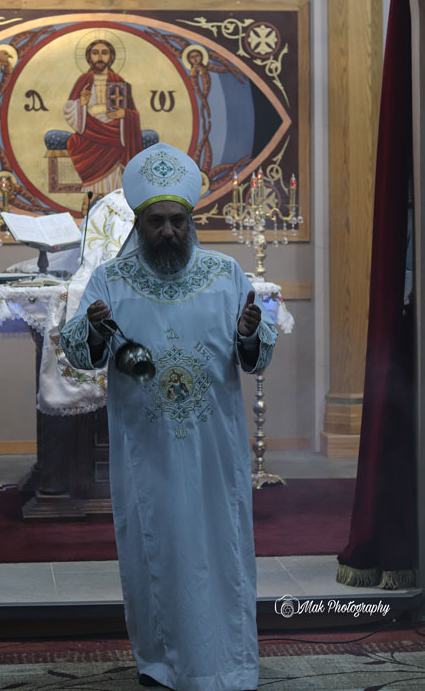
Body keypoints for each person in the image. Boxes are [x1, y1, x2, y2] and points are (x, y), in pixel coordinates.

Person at [60, 142, 277, 691]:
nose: (169, 232)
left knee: (221, 553)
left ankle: (231, 667)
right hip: (148, 456)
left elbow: (256, 357)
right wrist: (94, 328)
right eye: (156, 222)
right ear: (139, 222)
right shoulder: (111, 281)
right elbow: (80, 354)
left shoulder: (226, 275)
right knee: (157, 553)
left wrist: (250, 335)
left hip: (214, 456)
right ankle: (162, 666)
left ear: (190, 219)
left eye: (178, 221)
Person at [62, 39, 142, 193]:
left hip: (115, 131)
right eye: (95, 53)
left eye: (104, 53)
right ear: (89, 57)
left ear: (111, 57)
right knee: (75, 142)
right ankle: (92, 197)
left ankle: (115, 196)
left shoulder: (118, 81)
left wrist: (124, 114)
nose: (100, 57)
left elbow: (133, 112)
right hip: (89, 130)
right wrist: (80, 104)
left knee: (118, 147)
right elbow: (68, 109)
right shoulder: (83, 80)